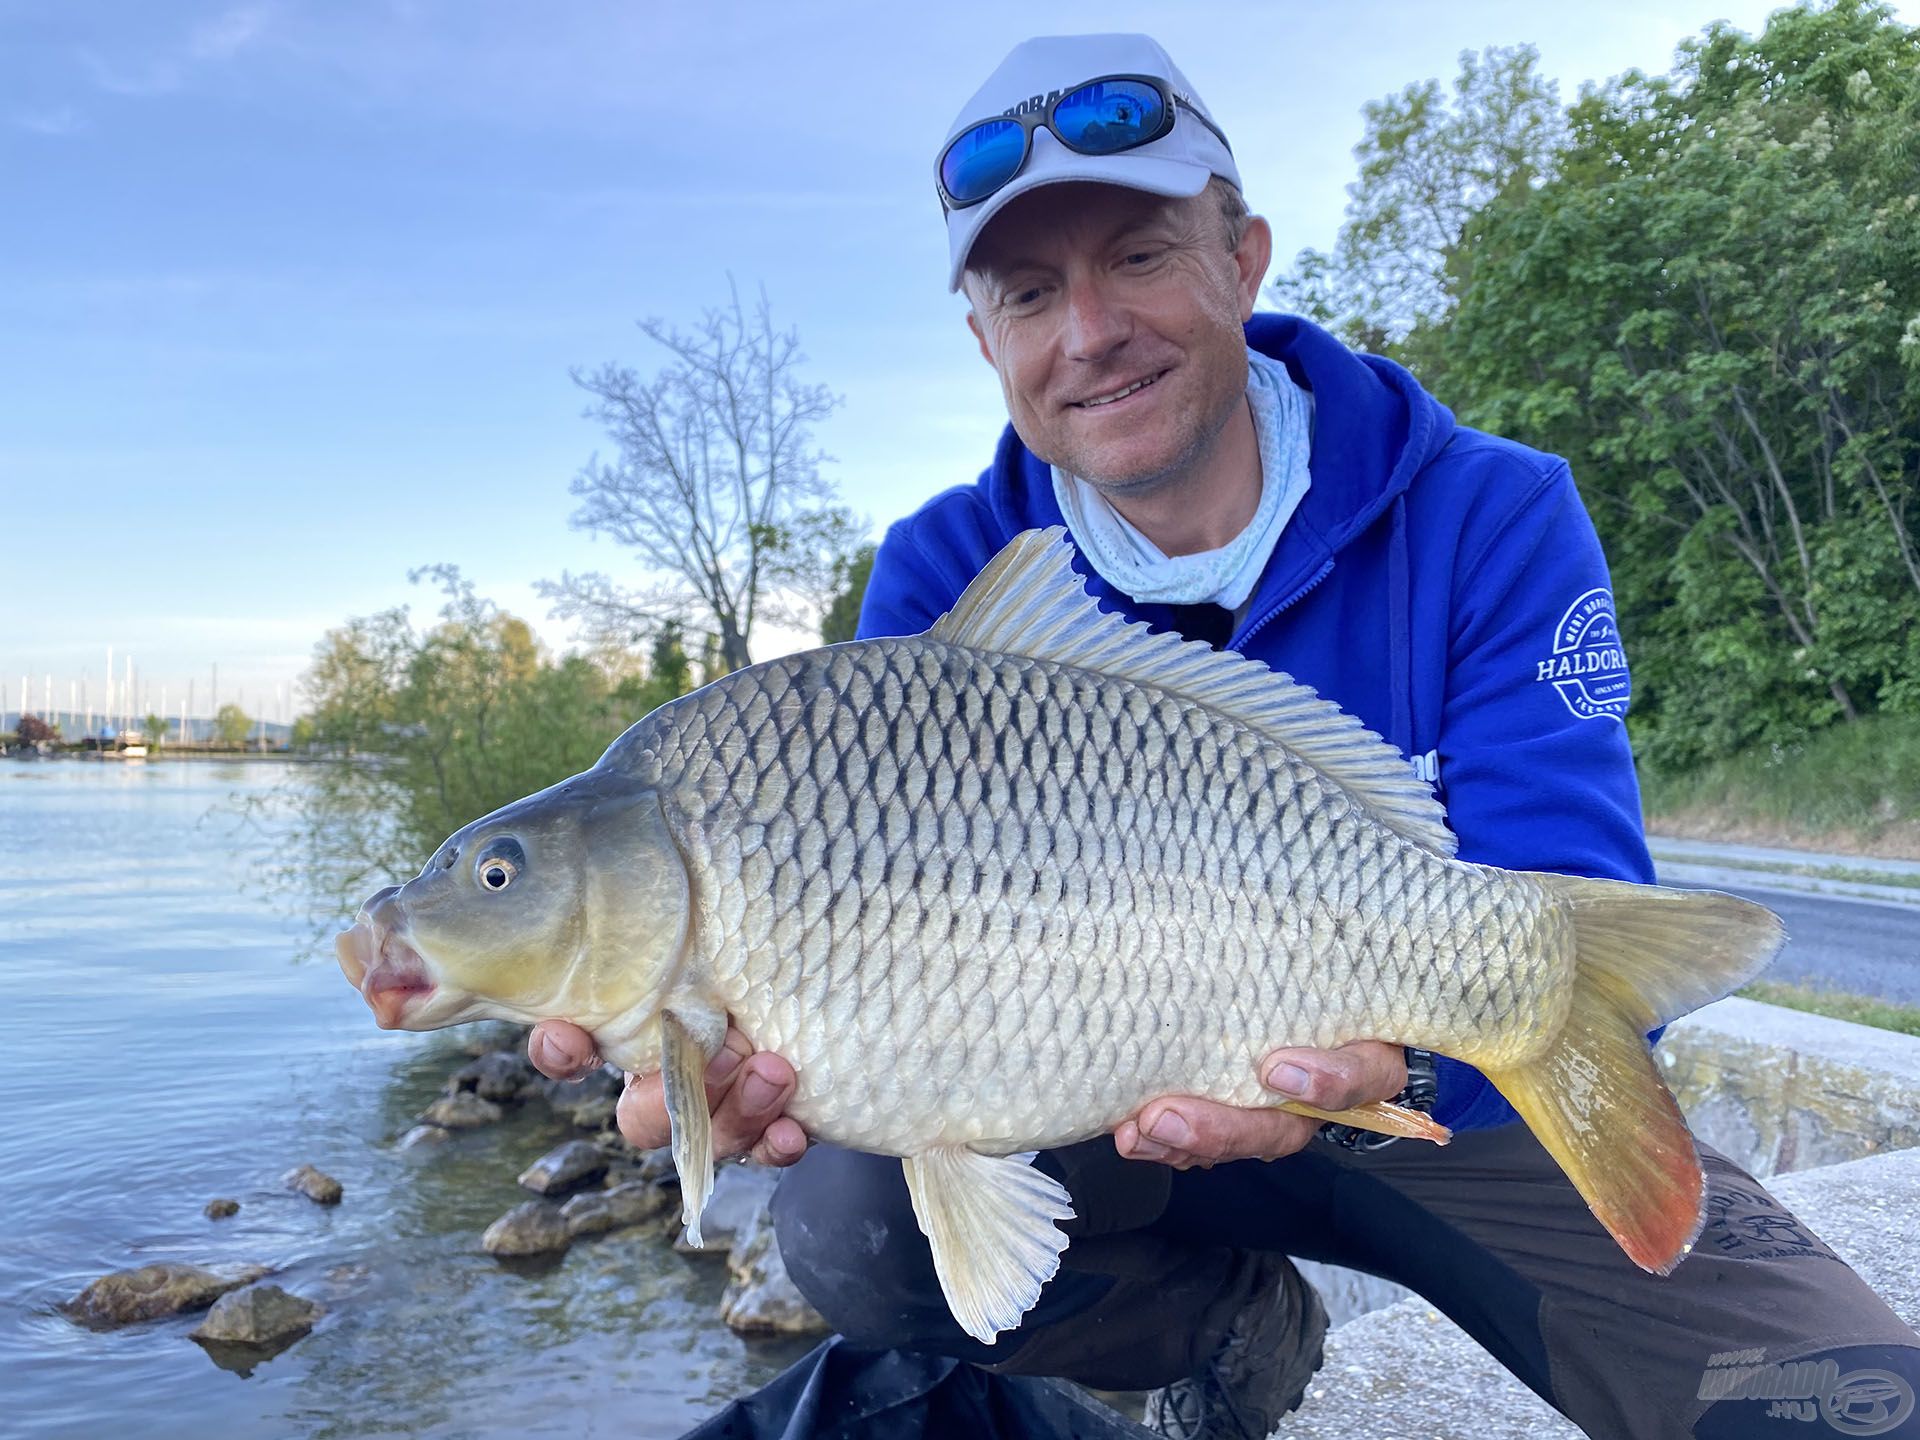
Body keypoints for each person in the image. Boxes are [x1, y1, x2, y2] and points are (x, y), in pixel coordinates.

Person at [529, 33, 1920, 1440]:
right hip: (1097, 1122)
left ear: (1243, 258)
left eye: (1136, 256)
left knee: (1844, 1410)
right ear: (983, 339)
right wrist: (774, 1056)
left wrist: (1399, 1067)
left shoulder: (1490, 507)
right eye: (1028, 291)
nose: (1087, 333)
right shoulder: (940, 577)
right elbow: (873, 964)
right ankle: (1232, 1333)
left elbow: (1561, 871)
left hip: (1444, 1102)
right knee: (853, 1221)